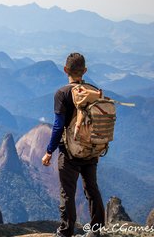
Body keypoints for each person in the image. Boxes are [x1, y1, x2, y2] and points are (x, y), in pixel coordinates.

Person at [41, 53, 105, 237]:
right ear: (84, 71)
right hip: (91, 149)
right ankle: (96, 230)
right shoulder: (93, 91)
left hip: (69, 152)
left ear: (65, 69)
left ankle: (66, 231)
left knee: (67, 192)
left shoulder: (62, 93)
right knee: (92, 189)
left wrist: (49, 151)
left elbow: (58, 125)